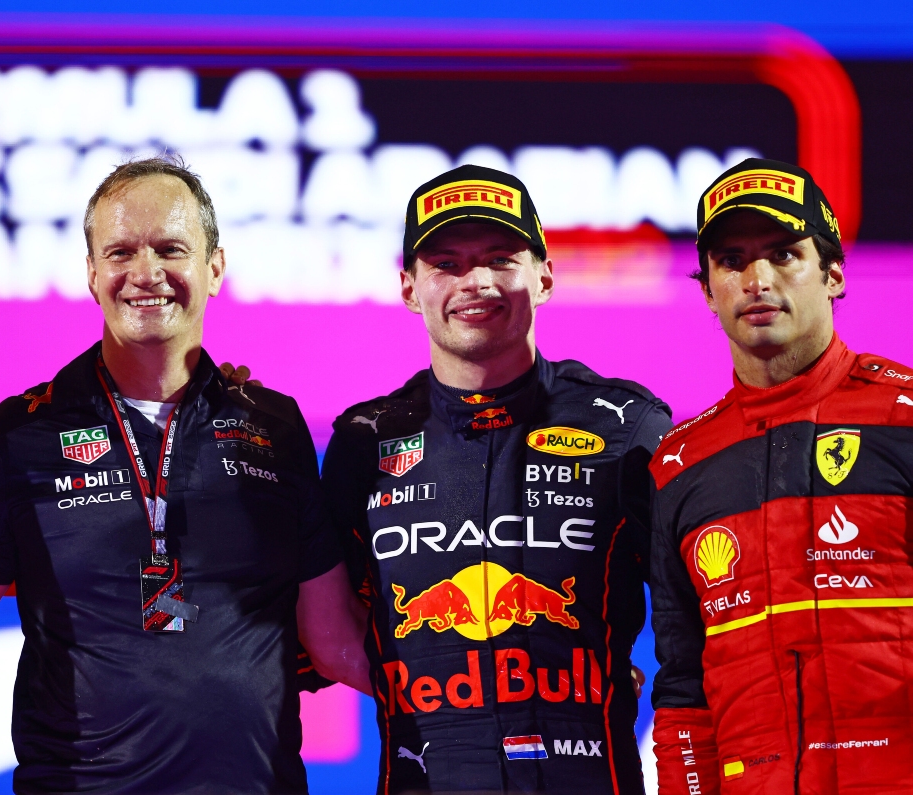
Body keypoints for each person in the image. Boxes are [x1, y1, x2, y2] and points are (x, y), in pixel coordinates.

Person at [0, 155, 369, 794]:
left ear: (214, 267)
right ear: (92, 274)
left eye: (170, 248)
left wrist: (479, 704)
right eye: (120, 253)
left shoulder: (276, 427)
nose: (145, 274)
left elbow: (332, 636)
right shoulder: (16, 435)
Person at [319, 165, 673, 794]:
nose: (475, 282)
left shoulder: (628, 425)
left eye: (501, 258)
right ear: (409, 287)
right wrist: (442, 686)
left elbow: (695, 615)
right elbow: (319, 622)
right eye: (447, 264)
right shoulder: (362, 441)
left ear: (545, 275)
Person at [650, 158, 913, 794]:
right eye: (731, 260)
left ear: (833, 273)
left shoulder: (905, 419)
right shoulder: (678, 464)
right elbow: (684, 686)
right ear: (708, 289)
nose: (757, 279)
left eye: (784, 254)